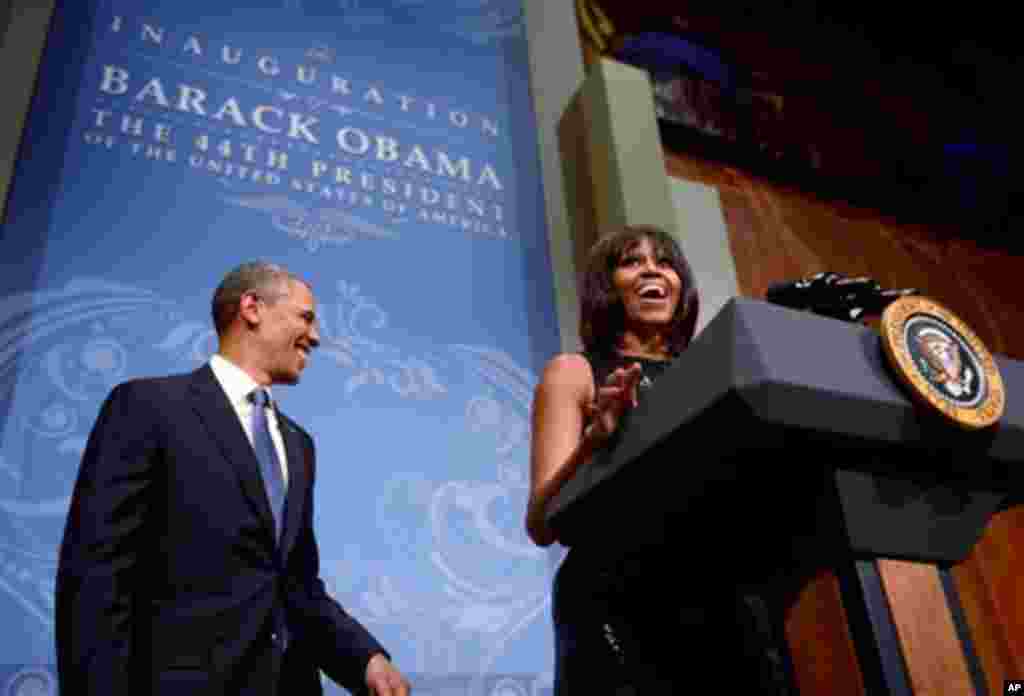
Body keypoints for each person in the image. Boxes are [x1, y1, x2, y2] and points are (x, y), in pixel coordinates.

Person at [55, 262, 410, 696]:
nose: (315, 337)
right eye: (306, 317)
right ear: (252, 308)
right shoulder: (148, 407)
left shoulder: (299, 446)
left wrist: (365, 659)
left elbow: (294, 584)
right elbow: (97, 576)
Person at [526, 225, 781, 693]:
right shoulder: (574, 373)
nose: (651, 270)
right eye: (632, 261)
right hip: (618, 601)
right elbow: (542, 524)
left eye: (664, 262)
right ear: (607, 285)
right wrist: (594, 441)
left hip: (720, 599)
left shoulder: (717, 369)